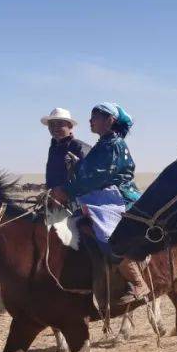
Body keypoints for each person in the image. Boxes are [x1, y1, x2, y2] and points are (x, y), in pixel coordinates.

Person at [52, 103, 147, 305]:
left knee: (107, 235)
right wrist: (78, 165)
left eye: (94, 117)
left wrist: (66, 190)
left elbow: (99, 176)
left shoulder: (113, 144)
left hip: (116, 197)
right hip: (98, 196)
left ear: (109, 120)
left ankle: (138, 282)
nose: (90, 121)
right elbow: (92, 172)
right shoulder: (103, 144)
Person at [41, 108, 91, 190]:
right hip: (54, 199)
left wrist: (66, 191)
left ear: (70, 126)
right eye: (52, 124)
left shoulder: (79, 147)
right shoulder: (53, 148)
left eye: (60, 124)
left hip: (75, 199)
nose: (55, 128)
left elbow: (88, 178)